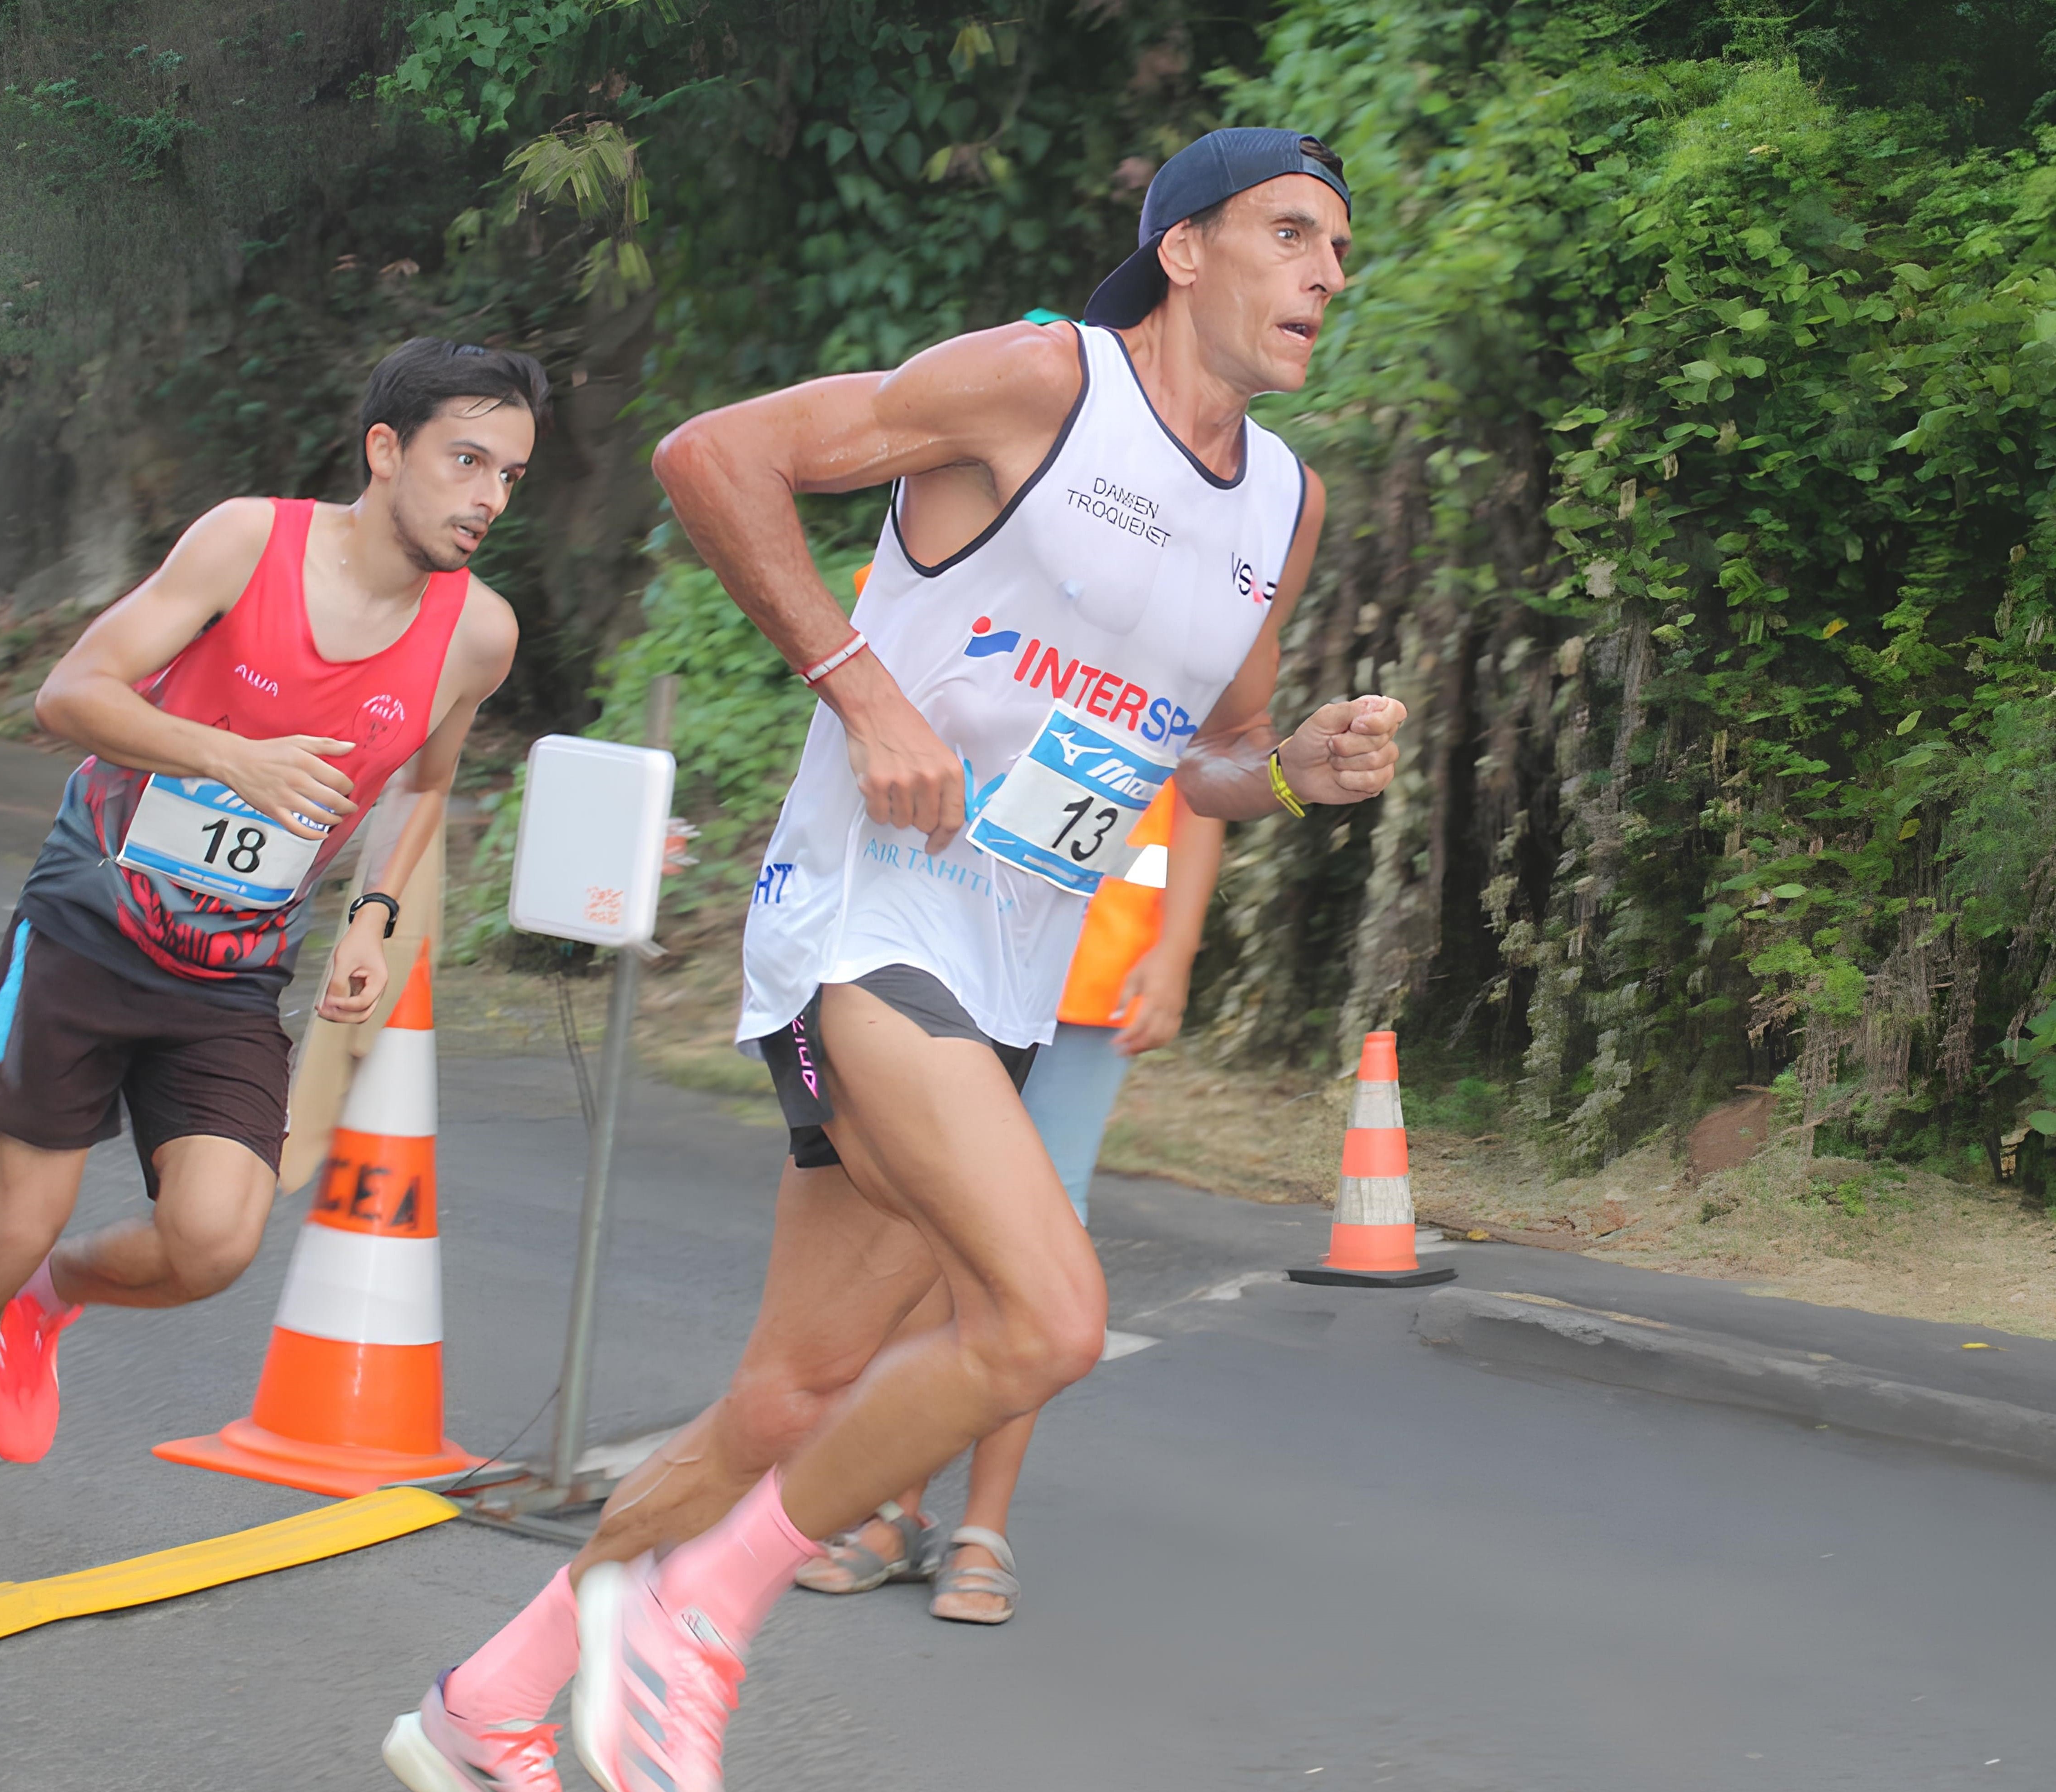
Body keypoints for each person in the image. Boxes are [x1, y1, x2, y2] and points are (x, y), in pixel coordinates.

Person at [385, 127, 1402, 1792]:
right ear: (1186, 252)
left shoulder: (1277, 508)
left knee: (784, 1402)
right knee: (1050, 1313)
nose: (1325, 274)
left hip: (1006, 969)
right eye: (1291, 235)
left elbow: (1203, 758)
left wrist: (1298, 767)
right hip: (862, 921)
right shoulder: (1032, 387)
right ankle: (697, 1620)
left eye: (1340, 252)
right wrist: (865, 692)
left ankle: (484, 1703)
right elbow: (714, 456)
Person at [0, 338, 544, 1587]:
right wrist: (226, 756)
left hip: (232, 968)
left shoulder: (479, 634)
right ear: (384, 450)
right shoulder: (249, 541)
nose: (487, 496)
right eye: (466, 460)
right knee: (7, 1219)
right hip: (90, 917)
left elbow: (422, 790)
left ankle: (46, 1298)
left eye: (511, 474)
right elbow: (68, 693)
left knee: (211, 1243)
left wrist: (370, 925)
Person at [792, 778, 1225, 1623]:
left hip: (1088, 979)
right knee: (937, 1230)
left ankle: (982, 1530)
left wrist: (1175, 950)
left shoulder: (1184, 654)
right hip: (959, 956)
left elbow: (1211, 780)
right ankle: (896, 1509)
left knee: (1031, 1251)